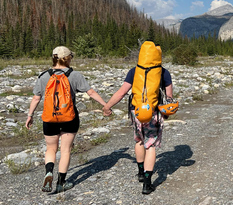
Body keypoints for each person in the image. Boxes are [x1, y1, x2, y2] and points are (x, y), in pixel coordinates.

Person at [25, 46, 107, 193]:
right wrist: (105, 105)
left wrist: (30, 115)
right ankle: (61, 182)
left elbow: (36, 98)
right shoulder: (75, 75)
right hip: (70, 117)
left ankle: (49, 172)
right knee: (65, 150)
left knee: (51, 148)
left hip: (49, 118)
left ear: (53, 58)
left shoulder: (43, 76)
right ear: (68, 58)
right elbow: (91, 92)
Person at [103, 53, 173, 195]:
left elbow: (122, 92)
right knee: (151, 145)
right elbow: (169, 97)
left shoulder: (134, 71)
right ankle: (147, 183)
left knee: (140, 140)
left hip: (136, 112)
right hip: (153, 112)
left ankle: (140, 172)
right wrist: (167, 112)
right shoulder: (163, 72)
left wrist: (107, 106)